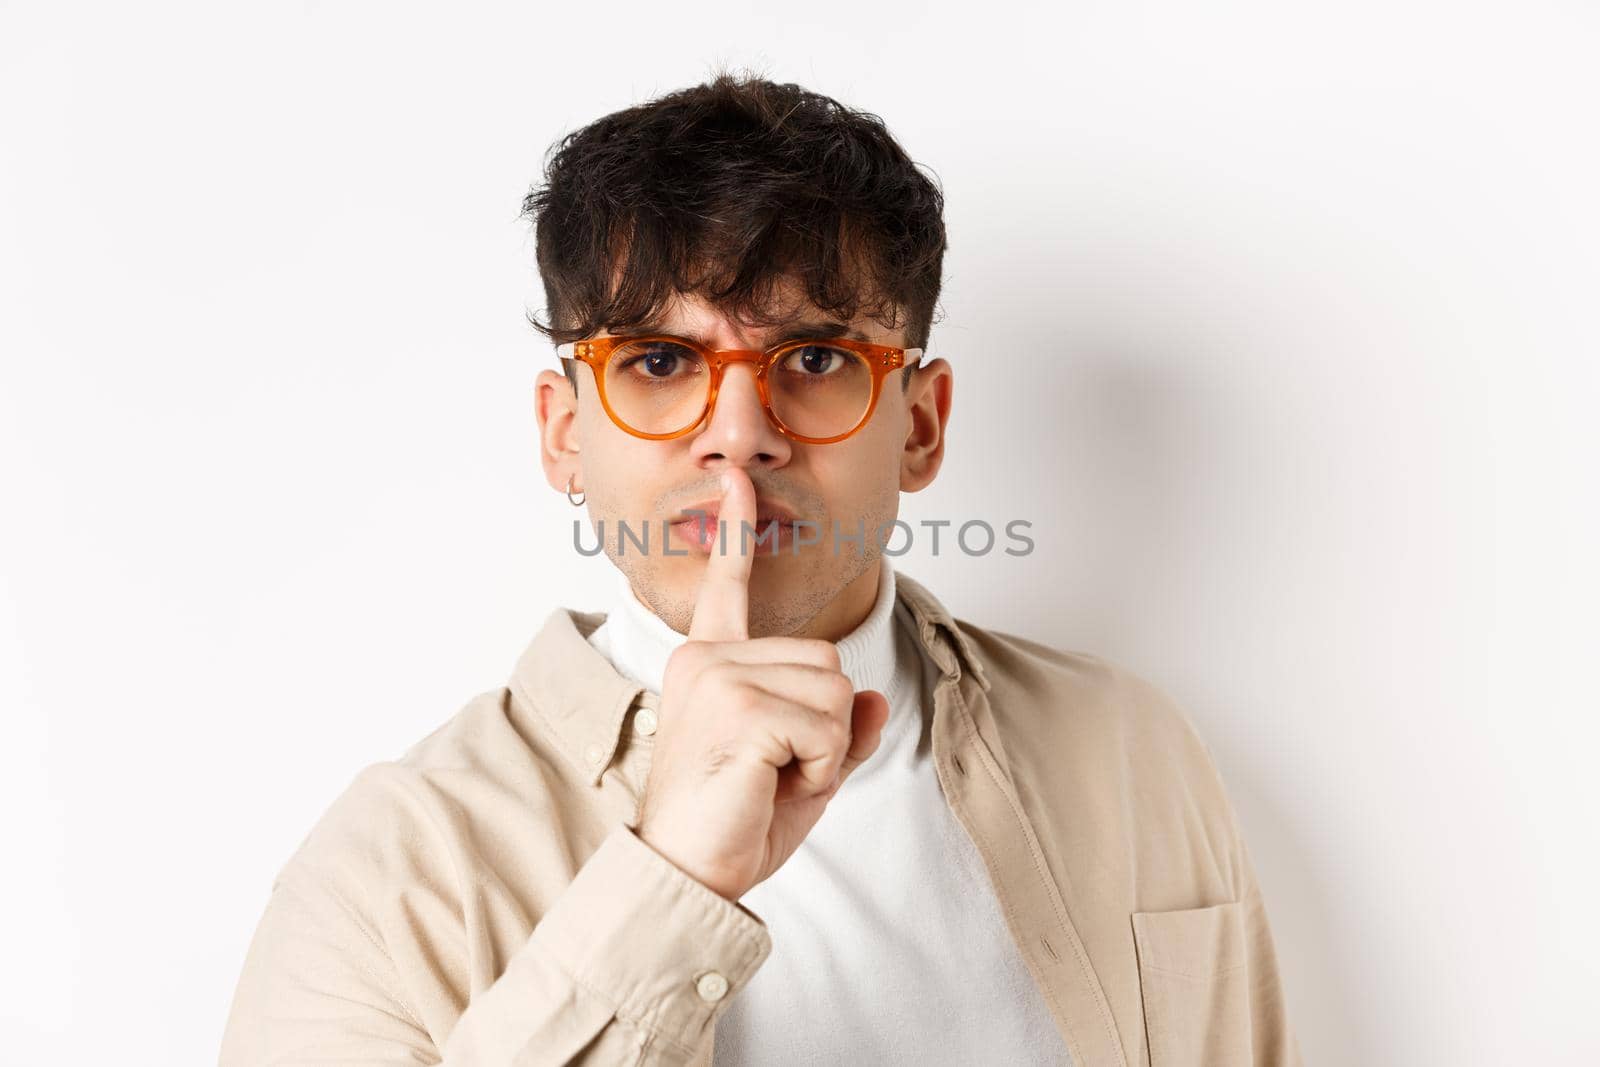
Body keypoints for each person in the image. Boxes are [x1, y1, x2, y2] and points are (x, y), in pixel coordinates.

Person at [219, 71, 1303, 1066]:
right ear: (564, 434)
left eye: (817, 360)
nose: (739, 434)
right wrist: (672, 876)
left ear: (919, 426)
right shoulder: (389, 871)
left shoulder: (1128, 747)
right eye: (656, 361)